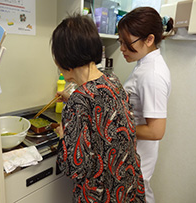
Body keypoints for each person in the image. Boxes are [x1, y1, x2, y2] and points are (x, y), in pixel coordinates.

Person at [51, 14, 145, 202]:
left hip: (102, 195)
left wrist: (63, 136)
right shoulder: (112, 80)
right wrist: (74, 100)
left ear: (64, 60)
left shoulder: (79, 101)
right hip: (127, 185)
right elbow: (104, 112)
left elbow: (74, 168)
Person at [117, 7, 173, 203]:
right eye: (120, 42)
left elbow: (156, 131)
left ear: (149, 40)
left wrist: (115, 126)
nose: (122, 48)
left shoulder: (153, 75)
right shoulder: (144, 65)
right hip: (131, 154)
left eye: (127, 43)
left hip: (138, 158)